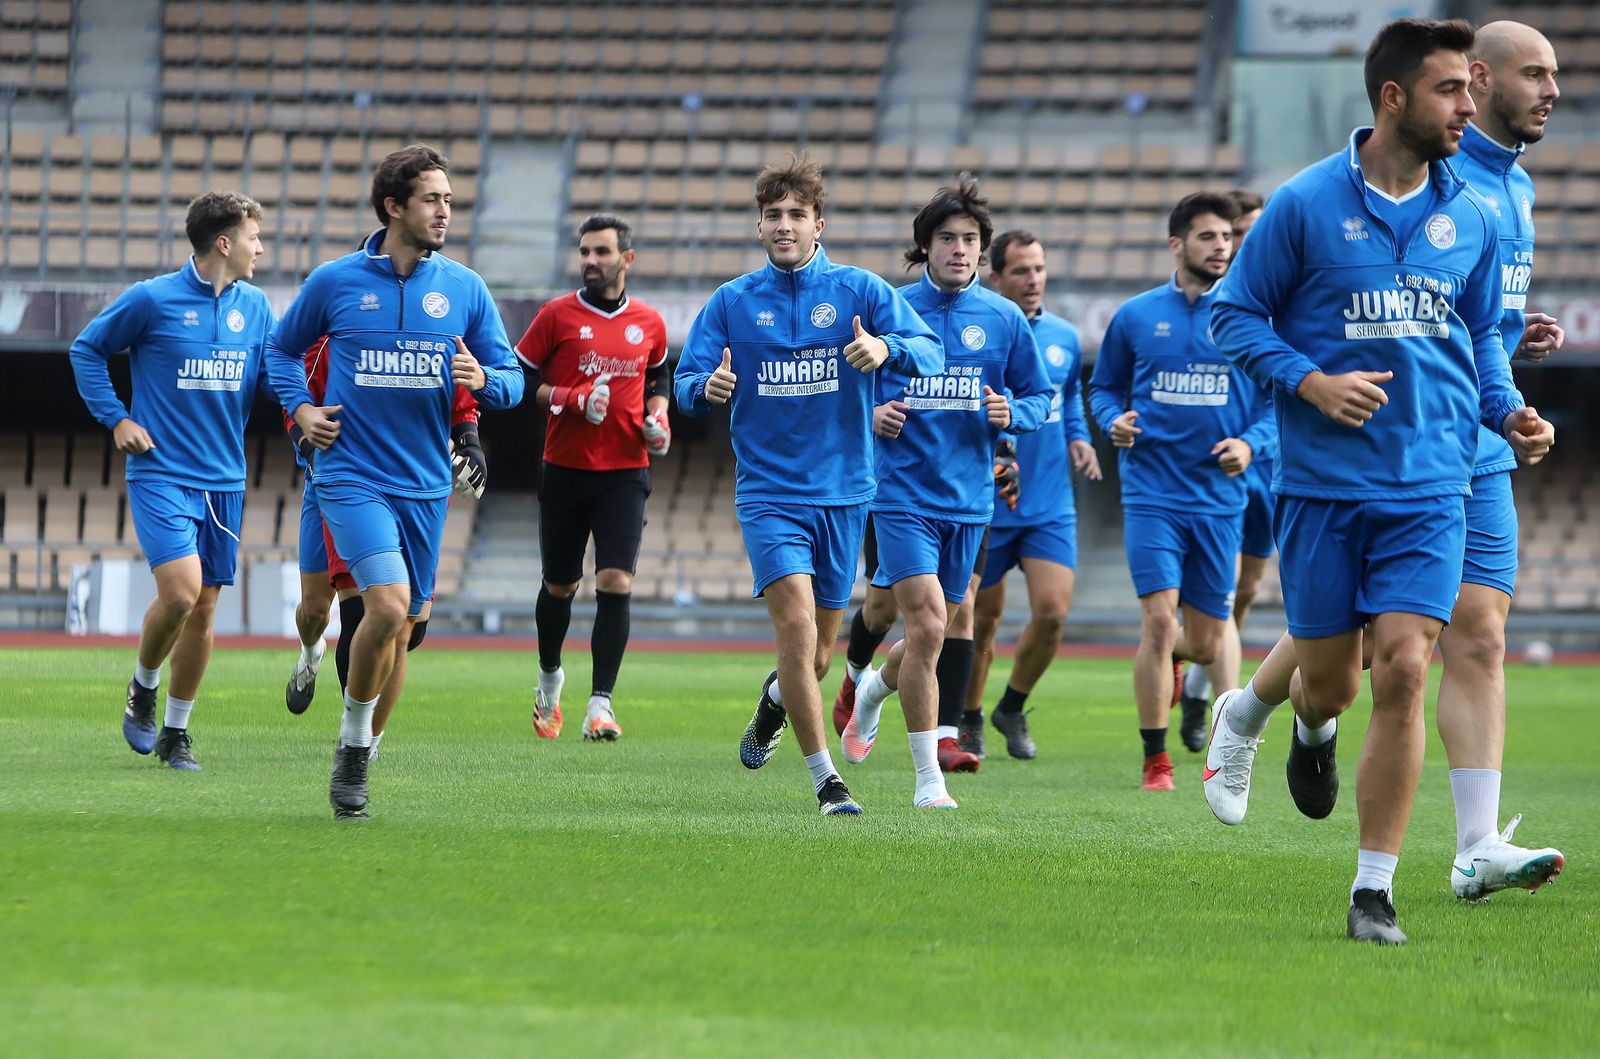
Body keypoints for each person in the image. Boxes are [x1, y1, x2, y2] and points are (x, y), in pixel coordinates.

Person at [1207, 18, 1554, 943]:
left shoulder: (1472, 213)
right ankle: (1298, 724)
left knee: (1404, 663)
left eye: (1472, 89)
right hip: (1323, 488)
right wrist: (1311, 382)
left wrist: (1507, 410)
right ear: (1394, 98)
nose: (1469, 106)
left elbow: (1480, 335)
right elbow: (1233, 317)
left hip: (1433, 484)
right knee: (1331, 686)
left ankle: (1373, 891)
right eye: (1451, 90)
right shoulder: (1303, 204)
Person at [673, 154, 942, 816]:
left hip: (845, 493)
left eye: (797, 214)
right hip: (768, 494)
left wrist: (887, 349)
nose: (784, 225)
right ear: (759, 225)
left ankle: (774, 704)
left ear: (819, 224)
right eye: (773, 215)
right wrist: (705, 387)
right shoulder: (732, 302)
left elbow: (931, 351)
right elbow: (683, 382)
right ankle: (828, 782)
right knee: (793, 626)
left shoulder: (859, 291)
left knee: (818, 656)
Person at [267, 144, 524, 820]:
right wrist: (302, 410)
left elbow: (512, 380)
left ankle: (361, 740)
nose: (446, 211)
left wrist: (484, 382)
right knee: (384, 606)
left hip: (425, 486)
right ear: (393, 206)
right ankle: (353, 749)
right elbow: (280, 350)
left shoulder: (465, 288)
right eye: (432, 198)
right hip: (349, 474)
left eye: (449, 199)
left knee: (404, 627)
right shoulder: (335, 281)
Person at [845, 174, 1053, 807]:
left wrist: (1013, 412)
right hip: (900, 496)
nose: (959, 249)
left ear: (981, 249)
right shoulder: (890, 309)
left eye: (968, 239)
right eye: (946, 238)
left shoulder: (1004, 318)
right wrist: (871, 415)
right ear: (925, 246)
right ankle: (928, 780)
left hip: (969, 502)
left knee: (929, 632)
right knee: (931, 624)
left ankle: (871, 691)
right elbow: (842, 391)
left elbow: (1040, 396)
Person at [70, 191, 274, 772]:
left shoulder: (257, 306)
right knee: (182, 592)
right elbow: (87, 350)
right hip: (161, 471)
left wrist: (310, 408)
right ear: (224, 243)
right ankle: (143, 686)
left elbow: (272, 376)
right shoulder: (152, 298)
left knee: (204, 609)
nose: (261, 248)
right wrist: (118, 419)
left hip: (226, 480)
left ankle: (176, 734)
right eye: (254, 237)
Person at [1087, 191, 1274, 792]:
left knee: (1207, 641)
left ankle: (1189, 681)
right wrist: (1112, 421)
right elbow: (1103, 388)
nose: (1222, 247)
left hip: (1220, 498)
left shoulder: (1251, 319)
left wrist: (1250, 444)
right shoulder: (1136, 316)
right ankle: (1156, 760)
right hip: (1152, 493)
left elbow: (1278, 402)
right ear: (1177, 244)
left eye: (1227, 237)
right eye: (1208, 236)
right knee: (1158, 622)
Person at [283, 334, 487, 767]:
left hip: (415, 486)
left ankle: (362, 741)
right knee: (323, 611)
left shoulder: (436, 327)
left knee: (405, 628)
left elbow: (466, 396)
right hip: (343, 485)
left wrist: (468, 440)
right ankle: (315, 658)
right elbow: (295, 392)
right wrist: (307, 441)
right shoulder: (336, 329)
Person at [515, 213, 671, 743]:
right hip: (565, 469)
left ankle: (600, 705)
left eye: (601, 252)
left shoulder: (649, 322)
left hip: (626, 472)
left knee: (616, 581)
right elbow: (520, 379)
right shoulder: (556, 315)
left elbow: (658, 375)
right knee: (560, 585)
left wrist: (659, 417)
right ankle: (549, 679)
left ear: (627, 259)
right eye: (584, 251)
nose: (590, 260)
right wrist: (569, 398)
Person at [965, 229, 1102, 760]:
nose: (1033, 279)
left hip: (1049, 504)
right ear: (995, 277)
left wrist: (1079, 439)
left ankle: (1012, 705)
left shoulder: (1063, 336)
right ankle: (969, 717)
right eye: (1021, 270)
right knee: (982, 620)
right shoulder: (979, 332)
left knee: (1052, 612)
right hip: (987, 504)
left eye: (1039, 269)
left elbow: (1069, 399)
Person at [1178, 189, 1268, 722]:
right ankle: (1218, 705)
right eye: (1239, 234)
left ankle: (1195, 675)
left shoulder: (1276, 293)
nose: (1243, 244)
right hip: (1220, 469)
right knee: (1224, 588)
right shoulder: (1218, 302)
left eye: (1254, 233)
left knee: (1248, 587)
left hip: (1269, 462)